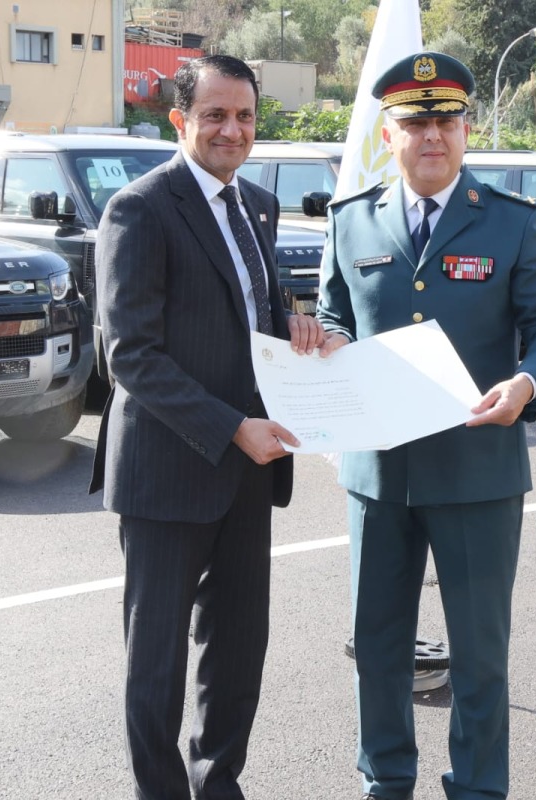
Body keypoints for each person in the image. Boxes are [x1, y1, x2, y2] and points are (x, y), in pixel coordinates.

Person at [315, 52, 536, 800]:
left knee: (480, 654)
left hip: (477, 470)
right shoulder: (351, 218)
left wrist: (529, 383)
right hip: (379, 472)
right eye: (416, 122)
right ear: (389, 133)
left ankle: (478, 788)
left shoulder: (513, 222)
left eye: (447, 121)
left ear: (467, 129)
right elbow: (334, 311)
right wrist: (329, 340)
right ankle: (386, 780)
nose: (434, 135)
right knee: (379, 646)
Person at [89, 54, 324, 800]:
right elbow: (131, 355)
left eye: (245, 116)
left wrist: (295, 331)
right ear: (180, 120)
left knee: (238, 649)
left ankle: (219, 782)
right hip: (169, 468)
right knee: (155, 662)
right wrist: (230, 428)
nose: (232, 130)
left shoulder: (257, 204)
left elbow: (246, 316)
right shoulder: (140, 208)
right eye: (216, 115)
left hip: (250, 471)